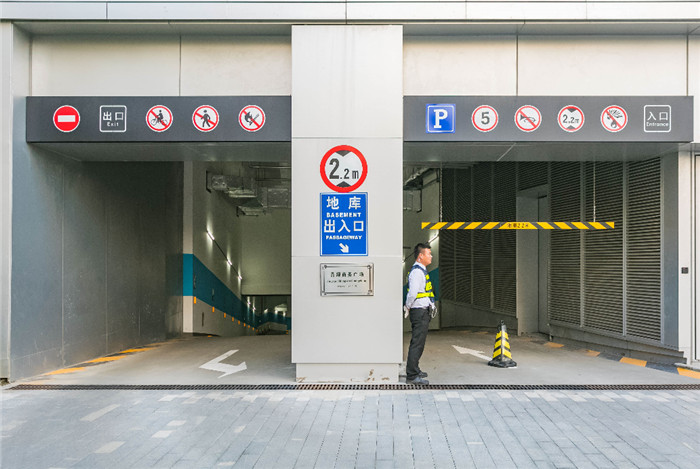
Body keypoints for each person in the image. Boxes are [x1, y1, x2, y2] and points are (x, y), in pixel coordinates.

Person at [404, 242, 436, 385]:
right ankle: (412, 375)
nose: (431, 256)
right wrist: (407, 306)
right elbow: (412, 293)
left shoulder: (421, 270)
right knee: (417, 343)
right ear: (421, 256)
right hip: (419, 312)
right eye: (429, 254)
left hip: (422, 311)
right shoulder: (417, 272)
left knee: (419, 343)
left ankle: (415, 370)